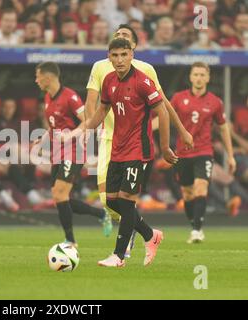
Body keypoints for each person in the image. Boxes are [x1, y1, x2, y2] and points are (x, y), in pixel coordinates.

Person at [85, 24, 193, 226]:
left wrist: (182, 130)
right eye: (117, 36)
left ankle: (125, 243)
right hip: (108, 139)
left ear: (133, 48)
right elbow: (92, 104)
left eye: (125, 36)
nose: (120, 38)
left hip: (135, 141)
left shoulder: (145, 70)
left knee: (126, 198)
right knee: (107, 201)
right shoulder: (101, 68)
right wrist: (87, 131)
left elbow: (163, 104)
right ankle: (143, 232)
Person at [85, 38, 177, 268]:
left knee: (126, 201)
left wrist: (165, 148)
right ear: (109, 57)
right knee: (113, 201)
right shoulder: (108, 81)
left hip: (139, 149)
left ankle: (118, 256)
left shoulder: (143, 82)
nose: (119, 60)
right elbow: (102, 109)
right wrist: (83, 129)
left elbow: (163, 113)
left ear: (131, 55)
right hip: (118, 148)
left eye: (123, 55)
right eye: (114, 55)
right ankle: (150, 235)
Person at [34, 62, 113, 246]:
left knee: (60, 194)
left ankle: (70, 241)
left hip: (74, 151)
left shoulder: (70, 97)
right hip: (57, 152)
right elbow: (55, 127)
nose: (36, 80)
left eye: (38, 76)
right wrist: (43, 137)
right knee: (59, 197)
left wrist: (71, 136)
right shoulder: (47, 98)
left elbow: (87, 121)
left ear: (48, 77)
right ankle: (101, 214)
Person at [170, 62, 236, 244]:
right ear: (191, 77)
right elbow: (164, 118)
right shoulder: (178, 98)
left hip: (204, 151)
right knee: (187, 194)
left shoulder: (215, 102)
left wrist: (230, 155)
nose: (199, 78)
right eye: (196, 74)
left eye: (202, 75)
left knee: (201, 187)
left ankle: (197, 230)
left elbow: (223, 129)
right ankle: (194, 225)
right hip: (182, 153)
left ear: (208, 78)